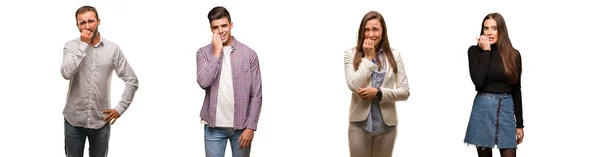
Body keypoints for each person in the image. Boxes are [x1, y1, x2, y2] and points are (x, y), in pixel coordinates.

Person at [60, 5, 139, 157]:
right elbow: (66, 73)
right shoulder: (70, 46)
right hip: (73, 120)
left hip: (100, 121)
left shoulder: (112, 49)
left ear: (98, 21)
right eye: (82, 22)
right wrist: (83, 45)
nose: (87, 26)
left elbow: (132, 80)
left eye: (91, 21)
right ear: (77, 25)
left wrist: (120, 108)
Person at [196, 6, 263, 157]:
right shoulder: (203, 53)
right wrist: (217, 52)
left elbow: (256, 93)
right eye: (216, 27)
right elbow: (203, 82)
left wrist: (251, 127)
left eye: (224, 25)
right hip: (213, 128)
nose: (221, 31)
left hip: (242, 127)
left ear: (231, 25)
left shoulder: (249, 55)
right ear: (211, 29)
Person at [344, 10, 410, 157]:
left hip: (386, 126)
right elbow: (353, 85)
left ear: (383, 31)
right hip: (359, 125)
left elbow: (405, 91)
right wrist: (368, 57)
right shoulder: (350, 54)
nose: (370, 34)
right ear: (362, 32)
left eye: (375, 29)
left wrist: (378, 92)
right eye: (366, 29)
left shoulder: (394, 55)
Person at [464, 13, 524, 157]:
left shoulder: (513, 55)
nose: (489, 32)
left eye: (494, 28)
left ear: (501, 30)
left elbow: (516, 90)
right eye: (486, 28)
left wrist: (520, 124)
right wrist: (486, 51)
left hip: (507, 110)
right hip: (483, 109)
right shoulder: (475, 51)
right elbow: (478, 81)